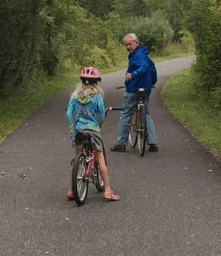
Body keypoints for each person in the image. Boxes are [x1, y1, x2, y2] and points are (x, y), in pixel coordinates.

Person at [65, 66, 120, 201]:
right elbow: (101, 114)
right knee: (100, 157)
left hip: (79, 130)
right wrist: (98, 125)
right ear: (97, 82)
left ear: (82, 80)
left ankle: (72, 190)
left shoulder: (75, 95)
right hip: (93, 129)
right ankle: (107, 190)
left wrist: (73, 132)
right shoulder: (98, 95)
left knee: (78, 156)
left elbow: (68, 114)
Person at [111, 33, 159, 152]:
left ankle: (121, 143)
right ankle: (152, 143)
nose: (127, 47)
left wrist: (133, 75)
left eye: (130, 44)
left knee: (126, 114)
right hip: (145, 89)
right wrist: (151, 83)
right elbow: (153, 70)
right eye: (126, 45)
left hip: (133, 90)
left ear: (136, 43)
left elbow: (142, 67)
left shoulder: (138, 56)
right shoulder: (145, 56)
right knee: (146, 114)